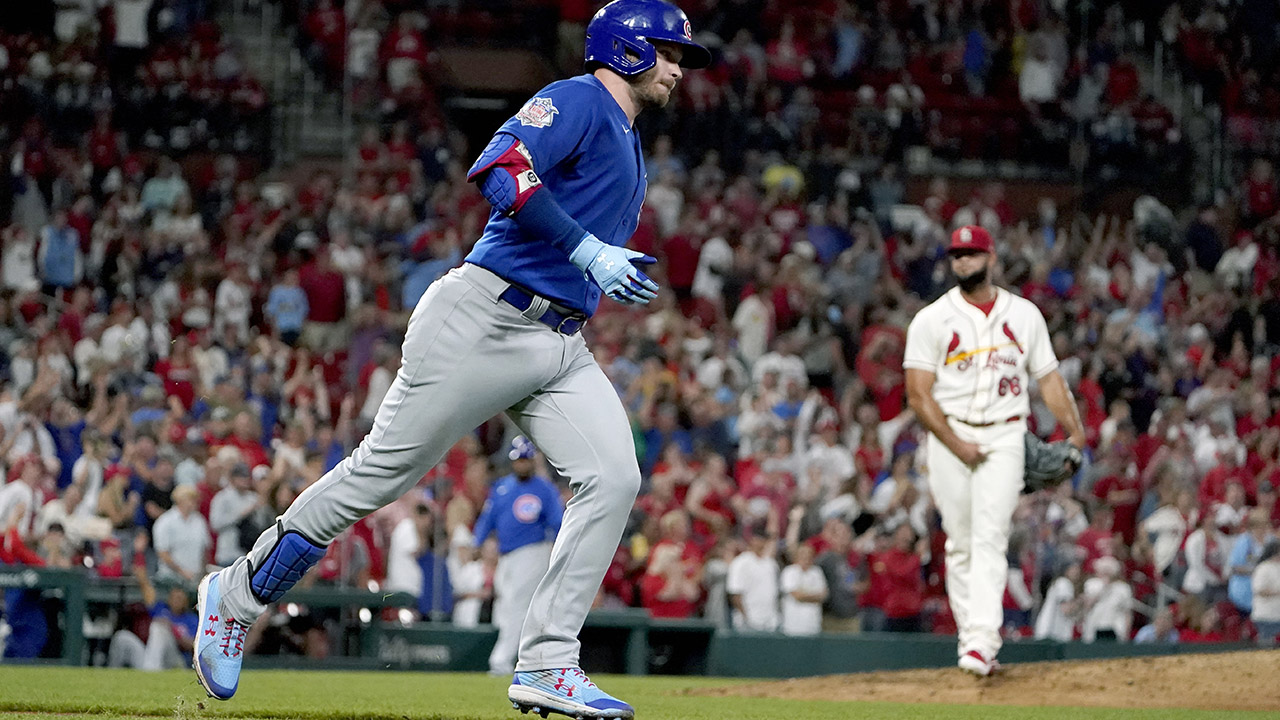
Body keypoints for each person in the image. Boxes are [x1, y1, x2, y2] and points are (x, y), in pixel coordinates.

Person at [192, 3, 708, 718]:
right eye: (668, 52)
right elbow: (496, 165)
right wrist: (586, 249)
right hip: (485, 318)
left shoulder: (623, 130)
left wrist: (584, 260)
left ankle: (549, 663)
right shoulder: (581, 98)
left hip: (558, 343)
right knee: (378, 476)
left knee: (614, 476)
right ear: (625, 50)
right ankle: (237, 593)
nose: (680, 68)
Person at [903, 225, 1086, 676]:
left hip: (1006, 434)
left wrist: (1075, 431)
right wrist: (956, 444)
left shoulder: (1023, 315)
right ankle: (972, 639)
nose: (963, 260)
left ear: (992, 258)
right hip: (950, 433)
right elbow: (918, 396)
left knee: (990, 534)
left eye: (972, 253)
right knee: (960, 542)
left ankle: (983, 639)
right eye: (957, 254)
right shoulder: (931, 319)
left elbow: (1049, 380)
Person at [472, 437, 564, 675]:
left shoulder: (544, 489)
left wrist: (559, 550)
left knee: (516, 606)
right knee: (505, 607)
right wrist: (477, 542)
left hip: (533, 552)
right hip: (506, 555)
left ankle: (501, 661)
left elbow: (558, 522)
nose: (521, 465)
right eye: (518, 460)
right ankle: (523, 658)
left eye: (525, 460)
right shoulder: (502, 487)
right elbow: (487, 519)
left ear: (532, 460)